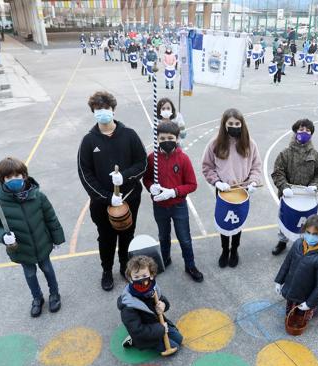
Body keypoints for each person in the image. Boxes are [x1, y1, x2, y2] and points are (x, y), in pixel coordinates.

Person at [77, 91, 147, 291]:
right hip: (102, 203)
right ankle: (107, 270)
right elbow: (85, 174)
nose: (103, 113)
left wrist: (125, 176)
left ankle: (125, 266)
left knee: (127, 234)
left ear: (113, 110)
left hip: (130, 198)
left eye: (106, 109)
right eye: (98, 110)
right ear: (93, 112)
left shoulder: (129, 135)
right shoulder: (88, 141)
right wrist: (107, 197)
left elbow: (142, 163)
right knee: (106, 238)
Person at [0, 157, 65, 317]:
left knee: (47, 269)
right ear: (3, 180)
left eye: (17, 176)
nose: (13, 180)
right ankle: (37, 298)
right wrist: (3, 237)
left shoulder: (38, 196)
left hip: (41, 243)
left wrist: (57, 238)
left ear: (24, 176)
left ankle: (54, 294)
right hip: (21, 249)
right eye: (9, 177)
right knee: (30, 274)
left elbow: (51, 217)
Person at [142, 122, 204, 282]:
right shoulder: (152, 158)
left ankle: (190, 264)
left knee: (184, 238)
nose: (166, 140)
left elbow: (192, 184)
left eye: (170, 138)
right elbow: (147, 179)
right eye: (162, 138)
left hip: (178, 206)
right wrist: (151, 188)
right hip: (160, 206)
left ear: (177, 138)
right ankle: (165, 258)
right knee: (163, 236)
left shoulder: (183, 159)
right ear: (157, 139)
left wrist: (174, 192)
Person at [202, 108, 262, 268]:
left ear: (242, 124)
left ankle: (234, 250)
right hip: (223, 191)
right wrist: (216, 182)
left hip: (242, 190)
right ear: (224, 124)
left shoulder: (250, 144)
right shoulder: (215, 143)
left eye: (237, 123)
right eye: (231, 123)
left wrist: (254, 182)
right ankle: (224, 250)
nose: (234, 126)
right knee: (224, 222)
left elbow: (256, 167)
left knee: (237, 222)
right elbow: (207, 167)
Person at [274, 215, 318, 327]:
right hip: (293, 290)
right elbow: (286, 263)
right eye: (308, 232)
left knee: (308, 314)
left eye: (315, 234)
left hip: (307, 295)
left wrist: (309, 303)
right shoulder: (298, 244)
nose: (310, 237)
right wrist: (279, 281)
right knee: (290, 314)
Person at [271, 119, 318, 255]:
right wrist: (284, 187)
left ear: (311, 134)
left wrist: (315, 185)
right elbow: (278, 172)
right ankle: (282, 241)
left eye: (308, 130)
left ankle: (303, 243)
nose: (305, 132)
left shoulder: (316, 155)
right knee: (285, 219)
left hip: (307, 197)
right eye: (302, 129)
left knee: (305, 223)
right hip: (289, 195)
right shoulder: (285, 153)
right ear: (296, 131)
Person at [117, 256, 183, 352]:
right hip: (144, 335)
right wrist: (160, 329)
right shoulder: (128, 306)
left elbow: (163, 300)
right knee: (175, 347)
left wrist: (163, 305)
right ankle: (134, 341)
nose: (141, 280)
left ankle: (157, 335)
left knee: (179, 339)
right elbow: (138, 331)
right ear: (130, 279)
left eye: (144, 276)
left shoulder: (152, 288)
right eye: (136, 277)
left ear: (151, 275)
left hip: (157, 324)